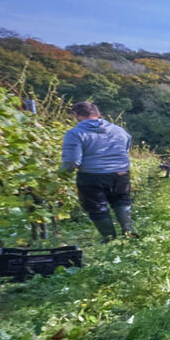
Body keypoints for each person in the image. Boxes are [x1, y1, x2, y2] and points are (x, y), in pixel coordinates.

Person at [61, 101, 134, 242]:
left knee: (96, 206)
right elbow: (125, 149)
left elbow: (73, 161)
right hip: (121, 172)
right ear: (98, 114)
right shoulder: (119, 130)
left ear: (76, 115)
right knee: (121, 200)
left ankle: (110, 238)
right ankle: (128, 232)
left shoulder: (75, 133)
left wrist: (63, 174)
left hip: (92, 175)